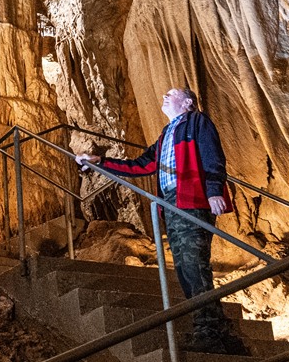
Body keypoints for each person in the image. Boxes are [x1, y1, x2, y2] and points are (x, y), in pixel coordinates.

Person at [75, 88, 247, 355]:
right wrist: (102, 163)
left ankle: (209, 330)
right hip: (172, 206)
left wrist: (214, 191)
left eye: (172, 93)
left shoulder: (197, 122)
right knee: (184, 269)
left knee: (193, 265)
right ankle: (222, 332)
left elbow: (213, 156)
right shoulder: (167, 133)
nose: (164, 96)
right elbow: (141, 165)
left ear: (188, 102)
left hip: (193, 201)